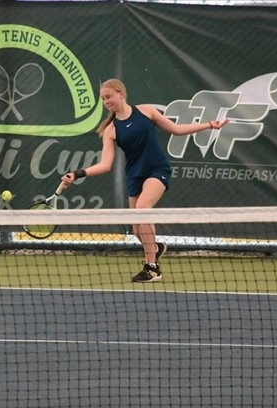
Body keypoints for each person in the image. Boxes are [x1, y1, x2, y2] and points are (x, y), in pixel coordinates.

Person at [61, 78, 229, 283]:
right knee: (137, 230)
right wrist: (78, 173)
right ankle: (156, 248)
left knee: (143, 208)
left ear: (121, 94)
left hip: (157, 169)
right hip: (135, 175)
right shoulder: (111, 130)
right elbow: (105, 164)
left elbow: (175, 129)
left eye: (109, 96)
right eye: (103, 99)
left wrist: (210, 125)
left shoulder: (146, 111)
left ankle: (152, 268)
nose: (106, 101)